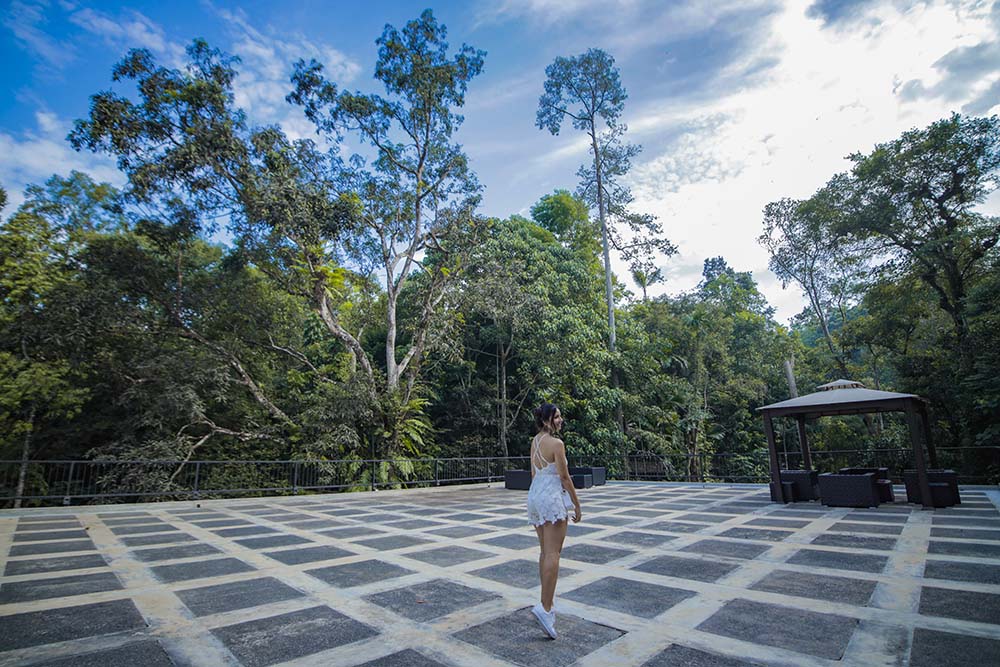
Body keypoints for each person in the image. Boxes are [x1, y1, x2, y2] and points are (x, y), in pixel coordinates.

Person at [526, 402, 581, 639]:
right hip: (550, 498)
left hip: (535, 495)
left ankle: (544, 603)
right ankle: (546, 607)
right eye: (557, 417)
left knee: (544, 552)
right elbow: (565, 477)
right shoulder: (557, 444)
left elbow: (532, 473)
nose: (561, 420)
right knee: (553, 554)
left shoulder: (535, 442)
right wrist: (576, 504)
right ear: (548, 419)